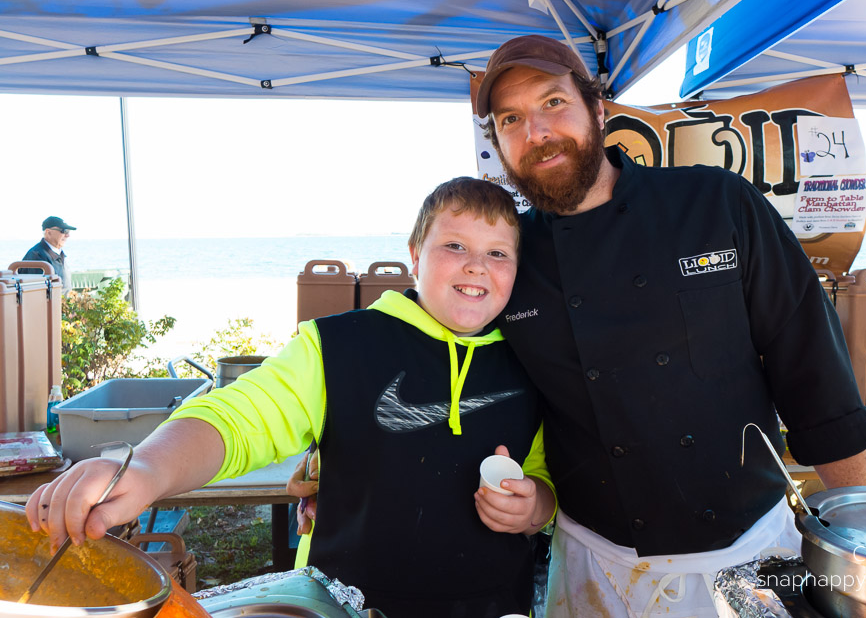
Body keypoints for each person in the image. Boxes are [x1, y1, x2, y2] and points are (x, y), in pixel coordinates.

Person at [476, 35, 866, 617]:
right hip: (597, 565)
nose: (536, 132)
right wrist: (338, 454)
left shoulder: (717, 203)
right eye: (511, 118)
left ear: (597, 109)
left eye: (553, 104)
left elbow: (813, 370)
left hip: (750, 560)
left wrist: (863, 545)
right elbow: (443, 364)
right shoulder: (508, 255)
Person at [26, 177, 556, 618]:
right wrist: (148, 468)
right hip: (344, 601)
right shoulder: (338, 347)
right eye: (455, 246)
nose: (475, 265)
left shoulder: (534, 360)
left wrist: (534, 506)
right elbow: (236, 417)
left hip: (495, 605)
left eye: (497, 253)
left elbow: (548, 482)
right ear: (415, 255)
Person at [22, 215, 75, 287]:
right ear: (48, 232)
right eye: (64, 231)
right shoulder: (36, 256)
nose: (67, 235)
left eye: (68, 231)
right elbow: (38, 291)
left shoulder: (59, 254)